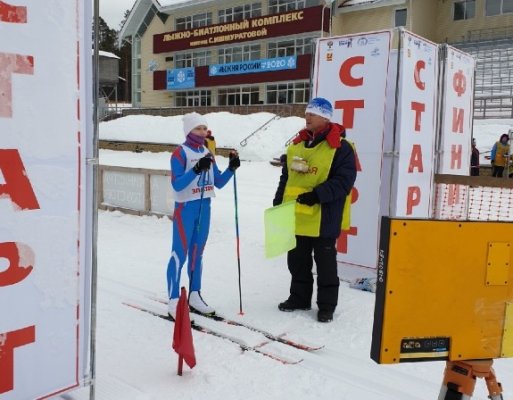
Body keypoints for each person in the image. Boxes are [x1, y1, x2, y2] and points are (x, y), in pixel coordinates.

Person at [273, 97, 357, 323]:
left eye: (313, 113)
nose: (307, 116)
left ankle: (326, 306)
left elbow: (344, 180)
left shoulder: (342, 148)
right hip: (298, 215)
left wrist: (317, 195)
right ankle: (299, 298)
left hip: (324, 217)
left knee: (326, 264)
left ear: (326, 117)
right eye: (307, 112)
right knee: (297, 260)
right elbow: (287, 176)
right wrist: (279, 201)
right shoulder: (297, 145)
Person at [167, 112, 240, 320]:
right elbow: (177, 183)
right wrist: (196, 169)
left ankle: (195, 294)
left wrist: (231, 169)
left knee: (197, 254)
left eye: (204, 128)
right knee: (179, 253)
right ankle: (173, 299)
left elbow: (218, 182)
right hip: (186, 209)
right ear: (189, 130)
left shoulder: (208, 152)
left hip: (205, 207)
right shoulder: (179, 153)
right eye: (198, 128)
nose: (202, 132)